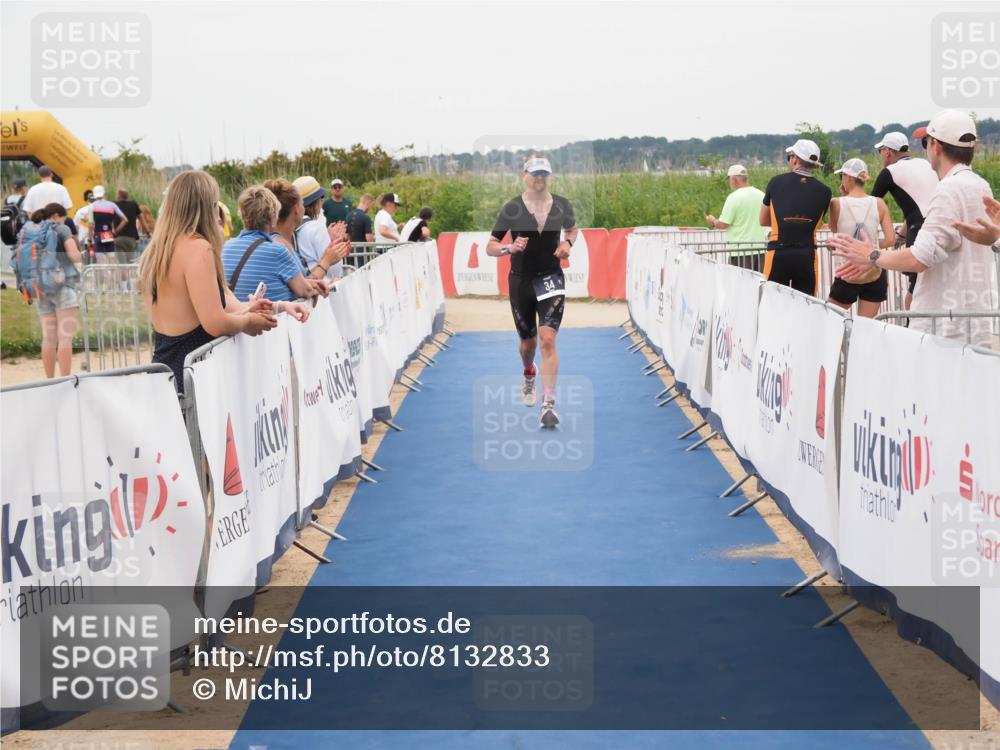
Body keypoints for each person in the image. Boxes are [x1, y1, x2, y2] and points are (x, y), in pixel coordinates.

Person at [830, 110, 997, 348]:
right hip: (974, 323)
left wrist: (872, 255)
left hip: (943, 330)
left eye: (925, 141)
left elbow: (920, 258)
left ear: (936, 146)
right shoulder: (982, 185)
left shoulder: (948, 189)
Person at [139, 171, 306, 390]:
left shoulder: (156, 252)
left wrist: (271, 307)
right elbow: (215, 322)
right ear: (208, 206)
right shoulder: (198, 249)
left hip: (164, 371)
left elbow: (197, 313)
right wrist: (248, 322)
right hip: (195, 376)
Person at [486, 155, 577, 429]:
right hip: (521, 280)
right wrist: (508, 249)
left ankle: (548, 404)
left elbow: (572, 229)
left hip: (550, 277)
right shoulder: (512, 208)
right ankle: (529, 372)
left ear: (550, 176)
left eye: (544, 174)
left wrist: (568, 243)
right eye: (535, 173)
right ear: (524, 175)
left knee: (548, 339)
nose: (540, 178)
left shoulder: (562, 205)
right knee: (529, 343)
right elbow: (490, 245)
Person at [223, 185, 329, 304]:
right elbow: (304, 291)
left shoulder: (225, 248)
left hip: (239, 318)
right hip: (274, 319)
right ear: (273, 217)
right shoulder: (277, 250)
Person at [870, 131, 939, 309]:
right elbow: (919, 205)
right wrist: (901, 234)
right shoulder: (925, 164)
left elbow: (870, 205)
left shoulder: (889, 172)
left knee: (915, 288)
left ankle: (911, 327)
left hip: (920, 231)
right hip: (939, 226)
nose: (881, 157)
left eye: (880, 152)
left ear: (887, 152)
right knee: (931, 284)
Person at [758, 139, 832, 296]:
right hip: (807, 254)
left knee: (772, 303)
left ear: (795, 159)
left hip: (778, 251)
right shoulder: (825, 191)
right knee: (807, 305)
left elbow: (763, 220)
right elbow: (817, 222)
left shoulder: (776, 182)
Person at [826, 158, 897, 318]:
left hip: (847, 272)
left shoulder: (836, 203)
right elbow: (891, 239)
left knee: (833, 322)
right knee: (865, 328)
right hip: (874, 271)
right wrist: (871, 249)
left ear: (848, 178)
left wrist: (843, 196)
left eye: (841, 176)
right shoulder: (879, 203)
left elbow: (834, 230)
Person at [21, 203, 83, 378]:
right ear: (56, 216)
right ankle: (65, 379)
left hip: (41, 288)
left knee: (48, 338)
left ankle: (49, 380)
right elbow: (74, 255)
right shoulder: (61, 229)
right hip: (64, 286)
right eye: (64, 217)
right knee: (65, 338)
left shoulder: (33, 230)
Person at [706, 164, 767, 271]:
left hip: (740, 252)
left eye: (729, 179)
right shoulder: (762, 195)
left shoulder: (733, 197)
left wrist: (713, 221)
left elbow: (723, 224)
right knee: (758, 285)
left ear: (734, 179)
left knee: (739, 285)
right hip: (760, 250)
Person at [292, 175, 351, 281]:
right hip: (321, 288)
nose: (322, 201)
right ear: (314, 202)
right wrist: (335, 243)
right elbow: (334, 270)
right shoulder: (316, 227)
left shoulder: (291, 226)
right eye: (321, 197)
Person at [89, 185, 128, 265]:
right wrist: (116, 231)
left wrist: (89, 239)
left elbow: (91, 224)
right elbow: (125, 220)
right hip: (108, 235)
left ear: (94, 195)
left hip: (97, 234)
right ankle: (112, 277)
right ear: (104, 194)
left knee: (100, 264)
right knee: (112, 262)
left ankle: (102, 278)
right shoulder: (112, 205)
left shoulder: (92, 206)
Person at [114, 189, 141, 262]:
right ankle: (129, 272)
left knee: (122, 263)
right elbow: (142, 218)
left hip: (118, 239)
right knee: (130, 262)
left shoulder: (114, 204)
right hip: (131, 239)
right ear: (127, 196)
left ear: (119, 196)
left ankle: (123, 273)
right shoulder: (133, 204)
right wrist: (147, 231)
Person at [73, 190, 95, 260]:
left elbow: (75, 226)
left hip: (83, 239)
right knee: (96, 262)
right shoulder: (99, 209)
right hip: (96, 239)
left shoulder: (79, 211)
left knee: (85, 262)